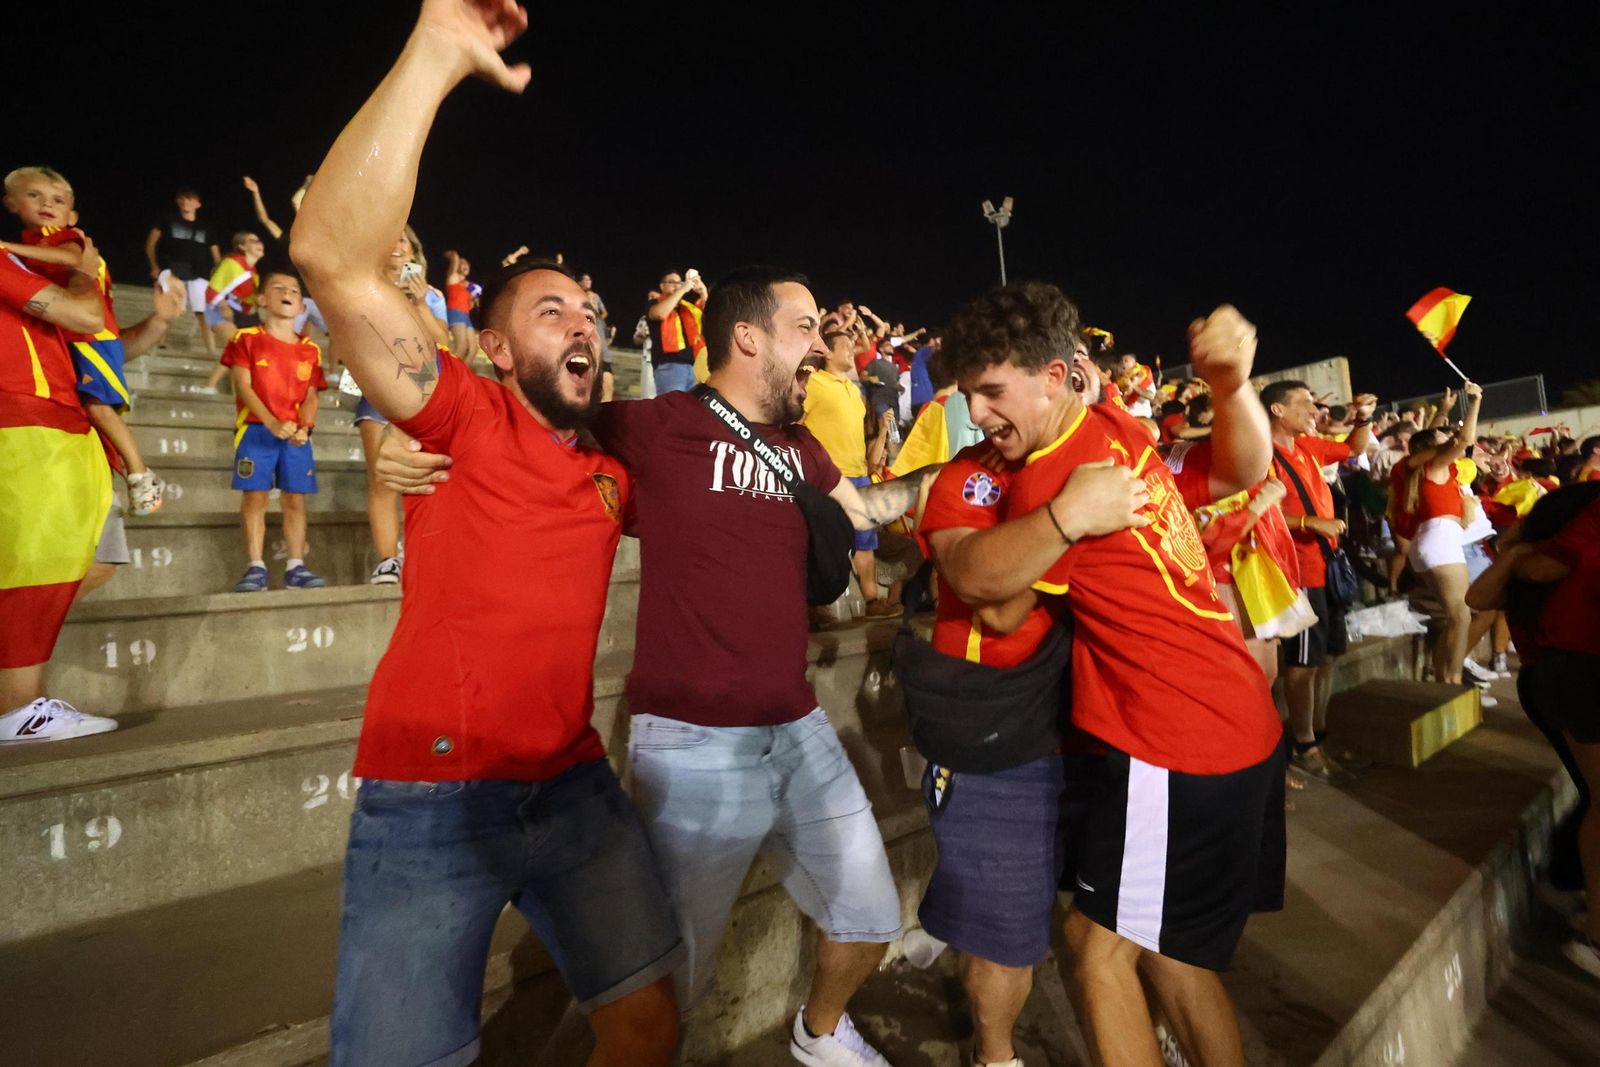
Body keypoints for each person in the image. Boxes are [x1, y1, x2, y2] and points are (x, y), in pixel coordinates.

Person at [291, 5, 686, 1065]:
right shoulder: (464, 416)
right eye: (551, 311)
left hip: (571, 783)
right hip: (431, 792)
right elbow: (331, 254)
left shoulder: (613, 468)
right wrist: (436, 52)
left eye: (591, 311)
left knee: (648, 1021)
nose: (585, 324)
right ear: (494, 348)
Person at [926, 283, 1283, 1067]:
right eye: (968, 395)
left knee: (1097, 949)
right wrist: (1232, 388)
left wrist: (1055, 520)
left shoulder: (1046, 478)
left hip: (1176, 736)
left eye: (992, 392)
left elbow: (995, 605)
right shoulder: (1111, 422)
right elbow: (1238, 467)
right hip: (1237, 716)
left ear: (1055, 377)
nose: (978, 415)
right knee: (1171, 953)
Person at [1466, 483, 1600, 979]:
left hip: (1563, 677)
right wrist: (1518, 548)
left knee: (1594, 796)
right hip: (1568, 677)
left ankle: (1571, 883)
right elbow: (1476, 596)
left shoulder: (1551, 550)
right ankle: (1589, 921)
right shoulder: (1547, 554)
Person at [0, 232, 118, 743]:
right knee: (38, 563)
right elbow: (87, 316)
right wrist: (84, 273)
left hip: (48, 415)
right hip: (25, 414)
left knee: (78, 559)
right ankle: (18, 709)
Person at [3, 166, 166, 516]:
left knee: (96, 406)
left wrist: (6, 248)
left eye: (58, 200)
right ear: (11, 203)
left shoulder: (62, 235)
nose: (47, 204)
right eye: (35, 195)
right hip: (73, 337)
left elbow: (75, 260)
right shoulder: (34, 242)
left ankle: (141, 473)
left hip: (93, 337)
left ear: (72, 214)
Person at [1262, 378, 1376, 782]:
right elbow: (1258, 511)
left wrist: (1364, 417)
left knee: (1326, 657)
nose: (1315, 411)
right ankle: (1303, 745)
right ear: (1277, 410)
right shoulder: (1261, 455)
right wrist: (1312, 522)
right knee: (1302, 663)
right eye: (1305, 404)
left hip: (1326, 566)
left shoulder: (1308, 447)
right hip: (1298, 572)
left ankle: (1318, 736)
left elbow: (1354, 447)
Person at [223, 273, 328, 593]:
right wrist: (271, 422)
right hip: (256, 431)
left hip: (295, 434)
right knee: (255, 497)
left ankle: (296, 566)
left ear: (301, 307)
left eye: (294, 291)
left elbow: (312, 395)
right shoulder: (246, 339)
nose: (287, 293)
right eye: (278, 288)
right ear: (262, 300)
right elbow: (242, 384)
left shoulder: (311, 350)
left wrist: (305, 427)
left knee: (295, 499)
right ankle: (256, 566)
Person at [1392, 383, 1484, 685]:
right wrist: (1475, 401)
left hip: (1430, 540)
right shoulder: (1435, 463)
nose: (1449, 436)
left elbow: (1426, 440)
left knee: (1453, 616)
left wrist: (1442, 412)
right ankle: (1453, 679)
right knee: (1462, 614)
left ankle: (1444, 673)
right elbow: (1465, 438)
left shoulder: (1418, 468)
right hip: (1440, 539)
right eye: (1442, 435)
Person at [804, 327, 899, 617]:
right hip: (826, 478)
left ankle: (872, 601)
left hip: (858, 474)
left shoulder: (855, 392)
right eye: (845, 344)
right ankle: (816, 606)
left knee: (864, 541)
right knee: (822, 543)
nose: (852, 348)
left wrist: (882, 431)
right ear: (827, 352)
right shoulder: (813, 383)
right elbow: (795, 422)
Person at [145, 186, 221, 355]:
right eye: (182, 199)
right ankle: (158, 345)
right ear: (178, 201)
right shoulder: (167, 219)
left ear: (198, 204)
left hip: (199, 275)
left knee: (202, 313)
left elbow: (216, 256)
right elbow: (151, 243)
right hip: (171, 270)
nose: (186, 202)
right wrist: (154, 266)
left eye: (190, 199)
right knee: (168, 308)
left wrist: (220, 278)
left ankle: (211, 351)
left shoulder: (206, 228)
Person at [199, 231, 267, 388]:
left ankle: (235, 392)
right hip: (216, 309)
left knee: (241, 352)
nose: (259, 243)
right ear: (241, 246)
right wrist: (223, 306)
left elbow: (246, 302)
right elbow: (212, 291)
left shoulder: (254, 274)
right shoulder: (232, 263)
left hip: (236, 314)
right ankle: (209, 387)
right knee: (236, 347)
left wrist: (258, 301)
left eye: (259, 240)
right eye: (252, 240)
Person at [646, 269, 707, 393]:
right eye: (672, 282)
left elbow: (709, 318)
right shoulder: (655, 302)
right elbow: (659, 314)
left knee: (688, 411)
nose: (676, 285)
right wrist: (683, 289)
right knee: (672, 409)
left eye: (679, 282)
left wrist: (703, 293)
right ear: (662, 286)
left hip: (692, 367)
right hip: (669, 365)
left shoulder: (687, 307)